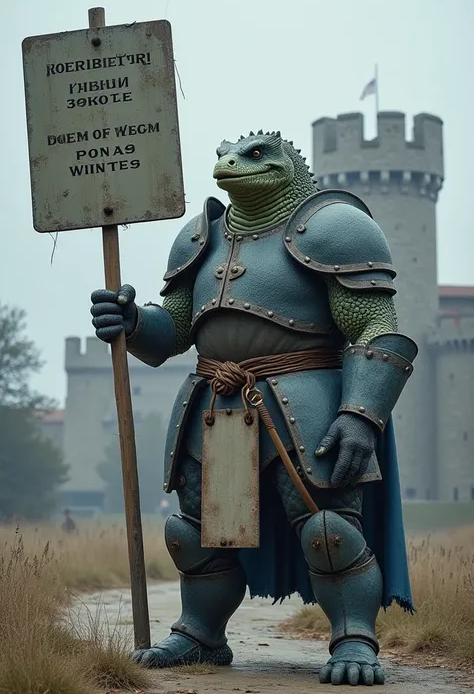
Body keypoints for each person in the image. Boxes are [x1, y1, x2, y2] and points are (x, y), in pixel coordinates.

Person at [90, 130, 416, 686]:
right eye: (224, 157)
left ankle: (354, 637)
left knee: (329, 528)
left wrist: (361, 412)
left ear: (287, 167)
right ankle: (200, 633)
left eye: (255, 156)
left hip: (307, 406)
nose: (233, 165)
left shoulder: (335, 229)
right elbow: (176, 331)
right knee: (194, 533)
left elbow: (372, 328)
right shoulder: (199, 240)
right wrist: (134, 321)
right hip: (213, 408)